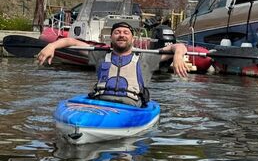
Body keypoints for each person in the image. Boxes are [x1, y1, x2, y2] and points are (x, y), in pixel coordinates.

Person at [37, 21, 188, 107]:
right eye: (117, 32)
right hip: (101, 104)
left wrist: (178, 55)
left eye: (126, 33)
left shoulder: (146, 58)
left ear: (132, 39)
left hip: (131, 107)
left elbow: (179, 46)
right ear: (111, 38)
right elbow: (72, 41)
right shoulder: (100, 55)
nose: (121, 35)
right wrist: (52, 46)